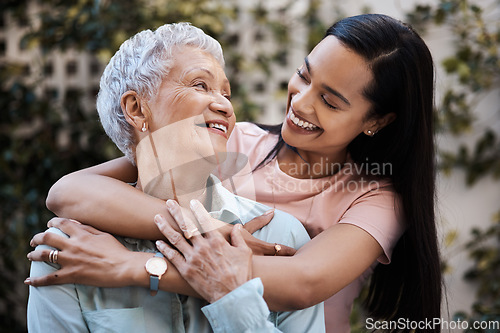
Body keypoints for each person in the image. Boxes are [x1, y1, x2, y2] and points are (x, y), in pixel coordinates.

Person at [27, 14, 443, 332]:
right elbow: (74, 189)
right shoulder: (235, 141)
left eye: (331, 102)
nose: (300, 103)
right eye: (304, 75)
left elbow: (301, 281)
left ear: (377, 120)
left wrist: (138, 268)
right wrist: (213, 231)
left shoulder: (372, 199)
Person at [26, 22, 325, 332]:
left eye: (226, 92)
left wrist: (229, 294)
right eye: (200, 85)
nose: (225, 105)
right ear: (137, 109)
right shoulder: (67, 248)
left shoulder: (280, 236)